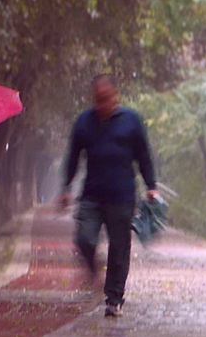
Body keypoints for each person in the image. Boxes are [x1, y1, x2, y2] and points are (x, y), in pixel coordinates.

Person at [59, 74, 159, 317]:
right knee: (84, 237)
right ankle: (93, 267)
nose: (102, 104)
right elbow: (73, 157)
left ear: (115, 97)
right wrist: (66, 187)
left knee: (119, 249)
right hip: (91, 195)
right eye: (97, 99)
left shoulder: (131, 121)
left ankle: (114, 298)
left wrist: (150, 185)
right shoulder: (84, 122)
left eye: (106, 98)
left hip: (122, 196)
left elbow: (143, 155)